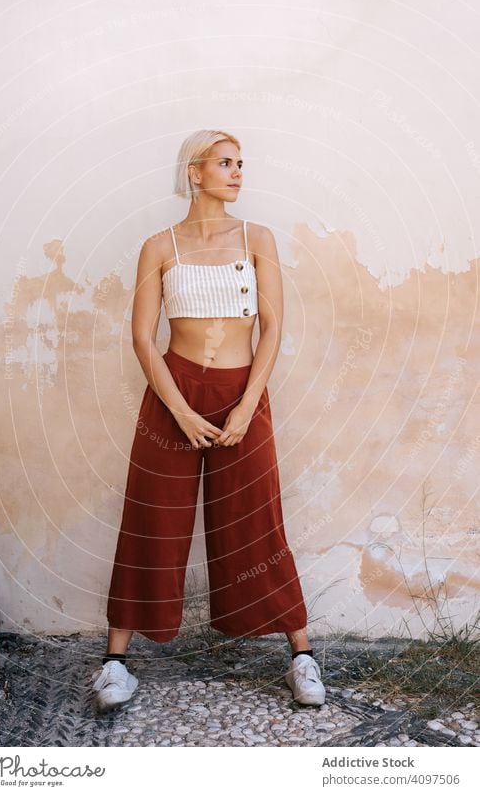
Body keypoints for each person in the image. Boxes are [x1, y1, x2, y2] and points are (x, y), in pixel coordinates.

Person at [91, 129, 325, 713]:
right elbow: (143, 337)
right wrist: (179, 410)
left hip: (241, 391)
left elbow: (272, 328)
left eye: (241, 163)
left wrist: (245, 405)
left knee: (257, 520)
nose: (238, 172)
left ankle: (301, 655)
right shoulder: (159, 245)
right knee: (152, 520)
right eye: (225, 163)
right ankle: (115, 663)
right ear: (194, 173)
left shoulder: (257, 239)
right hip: (173, 391)